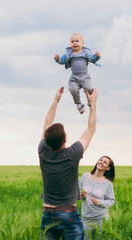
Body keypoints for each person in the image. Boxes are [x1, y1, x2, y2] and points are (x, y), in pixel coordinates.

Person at [38, 86, 98, 240]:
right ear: (65, 139)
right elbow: (90, 130)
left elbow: (46, 126)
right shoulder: (73, 154)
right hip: (68, 213)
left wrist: (56, 100)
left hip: (47, 213)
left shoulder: (43, 151)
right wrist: (93, 103)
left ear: (47, 139)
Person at [54, 33, 101, 114]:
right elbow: (62, 60)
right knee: (72, 89)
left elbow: (93, 59)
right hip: (74, 77)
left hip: (85, 76)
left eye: (77, 41)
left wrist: (97, 56)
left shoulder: (86, 53)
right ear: (70, 44)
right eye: (72, 42)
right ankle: (79, 104)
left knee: (89, 88)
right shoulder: (69, 54)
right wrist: (57, 59)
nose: (75, 43)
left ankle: (90, 101)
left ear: (82, 43)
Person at [79, 156, 115, 240]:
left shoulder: (108, 183)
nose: (101, 162)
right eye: (100, 160)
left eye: (105, 162)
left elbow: (111, 201)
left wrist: (99, 202)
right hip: (86, 218)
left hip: (101, 220)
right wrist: (81, 196)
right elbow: (75, 194)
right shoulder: (85, 177)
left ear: (108, 168)